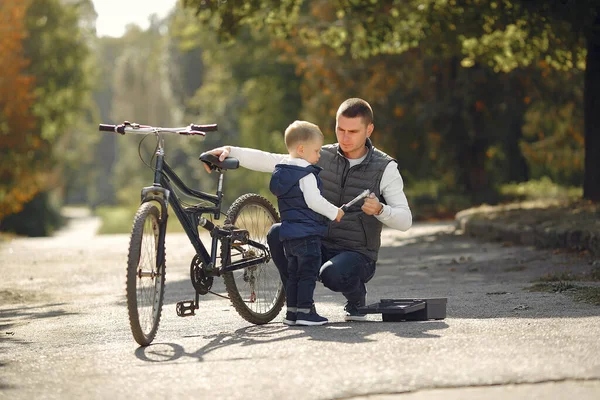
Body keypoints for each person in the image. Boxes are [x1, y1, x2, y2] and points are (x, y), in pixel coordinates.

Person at [204, 98, 412, 321]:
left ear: (369, 129)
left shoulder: (385, 167)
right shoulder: (319, 155)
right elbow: (274, 160)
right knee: (277, 232)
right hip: (315, 241)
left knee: (332, 274)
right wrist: (230, 150)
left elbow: (405, 220)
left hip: (356, 254)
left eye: (353, 131)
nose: (344, 137)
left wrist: (381, 210)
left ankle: (356, 298)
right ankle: (300, 306)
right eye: (340, 129)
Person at [269, 120, 344, 326]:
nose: (319, 156)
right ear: (302, 149)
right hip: (307, 234)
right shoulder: (306, 173)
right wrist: (334, 212)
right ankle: (305, 312)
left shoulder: (282, 173)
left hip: (289, 235)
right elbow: (314, 201)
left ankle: (292, 313)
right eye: (317, 151)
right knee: (308, 274)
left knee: (293, 274)